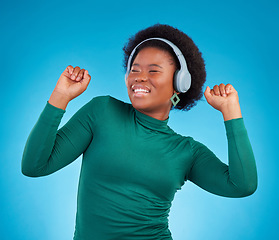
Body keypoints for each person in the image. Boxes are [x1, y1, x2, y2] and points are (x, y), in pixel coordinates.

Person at [22, 24, 257, 240]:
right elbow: (35, 166)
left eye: (154, 71)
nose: (139, 77)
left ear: (180, 82)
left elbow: (242, 185)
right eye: (134, 70)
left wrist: (231, 112)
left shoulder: (187, 151)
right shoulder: (101, 112)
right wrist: (60, 97)